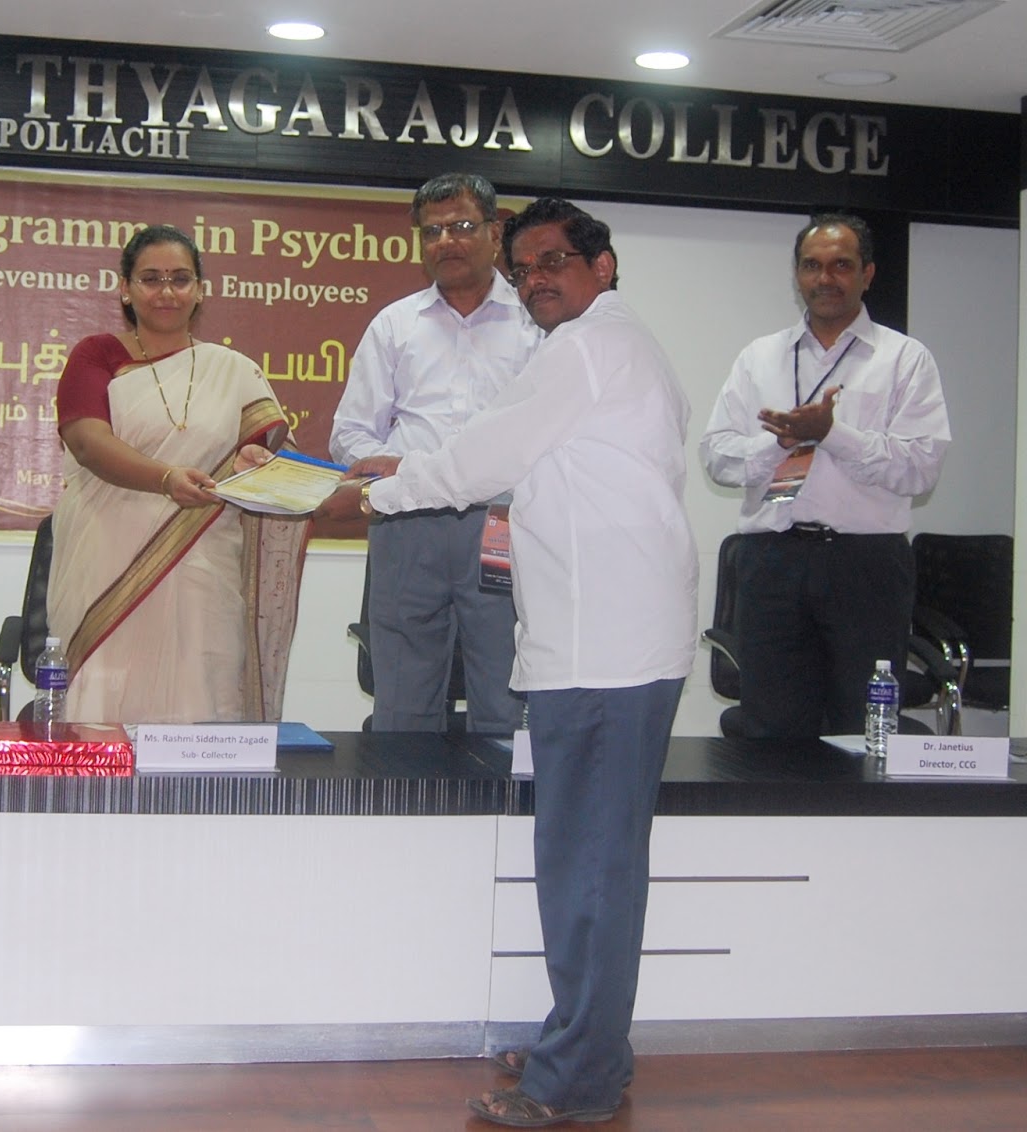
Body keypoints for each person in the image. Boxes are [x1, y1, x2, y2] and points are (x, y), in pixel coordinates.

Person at [319, 198, 697, 1126]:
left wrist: (372, 497)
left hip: (605, 648)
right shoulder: (614, 346)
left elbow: (482, 457)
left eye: (554, 262)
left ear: (604, 266)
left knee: (589, 866)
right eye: (524, 269)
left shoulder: (587, 349)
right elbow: (513, 460)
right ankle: (590, 1040)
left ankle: (578, 1079)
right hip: (606, 639)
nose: (535, 281)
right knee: (592, 859)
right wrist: (400, 477)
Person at [700, 213, 949, 739]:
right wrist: (781, 441)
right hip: (772, 561)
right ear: (797, 275)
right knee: (771, 726)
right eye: (812, 266)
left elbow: (921, 468)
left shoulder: (905, 359)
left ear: (867, 274)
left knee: (863, 727)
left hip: (866, 565)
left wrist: (833, 434)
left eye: (841, 265)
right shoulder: (760, 357)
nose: (825, 278)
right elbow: (717, 457)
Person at [47, 224, 308, 724]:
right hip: (105, 560)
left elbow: (267, 460)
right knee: (103, 702)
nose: (166, 291)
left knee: (197, 693)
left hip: (202, 562)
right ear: (125, 289)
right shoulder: (97, 354)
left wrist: (256, 465)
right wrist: (166, 480)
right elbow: (86, 442)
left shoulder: (233, 370)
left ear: (200, 289)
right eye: (150, 279)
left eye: (180, 279)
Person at [330, 172, 542, 735]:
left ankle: (500, 794)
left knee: (505, 698)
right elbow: (351, 434)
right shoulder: (395, 324)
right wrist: (402, 471)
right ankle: (406, 796)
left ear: (495, 234)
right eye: (432, 232)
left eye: (462, 226)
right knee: (403, 703)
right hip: (407, 524)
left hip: (504, 525)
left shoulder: (534, 324)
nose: (446, 241)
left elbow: (550, 435)